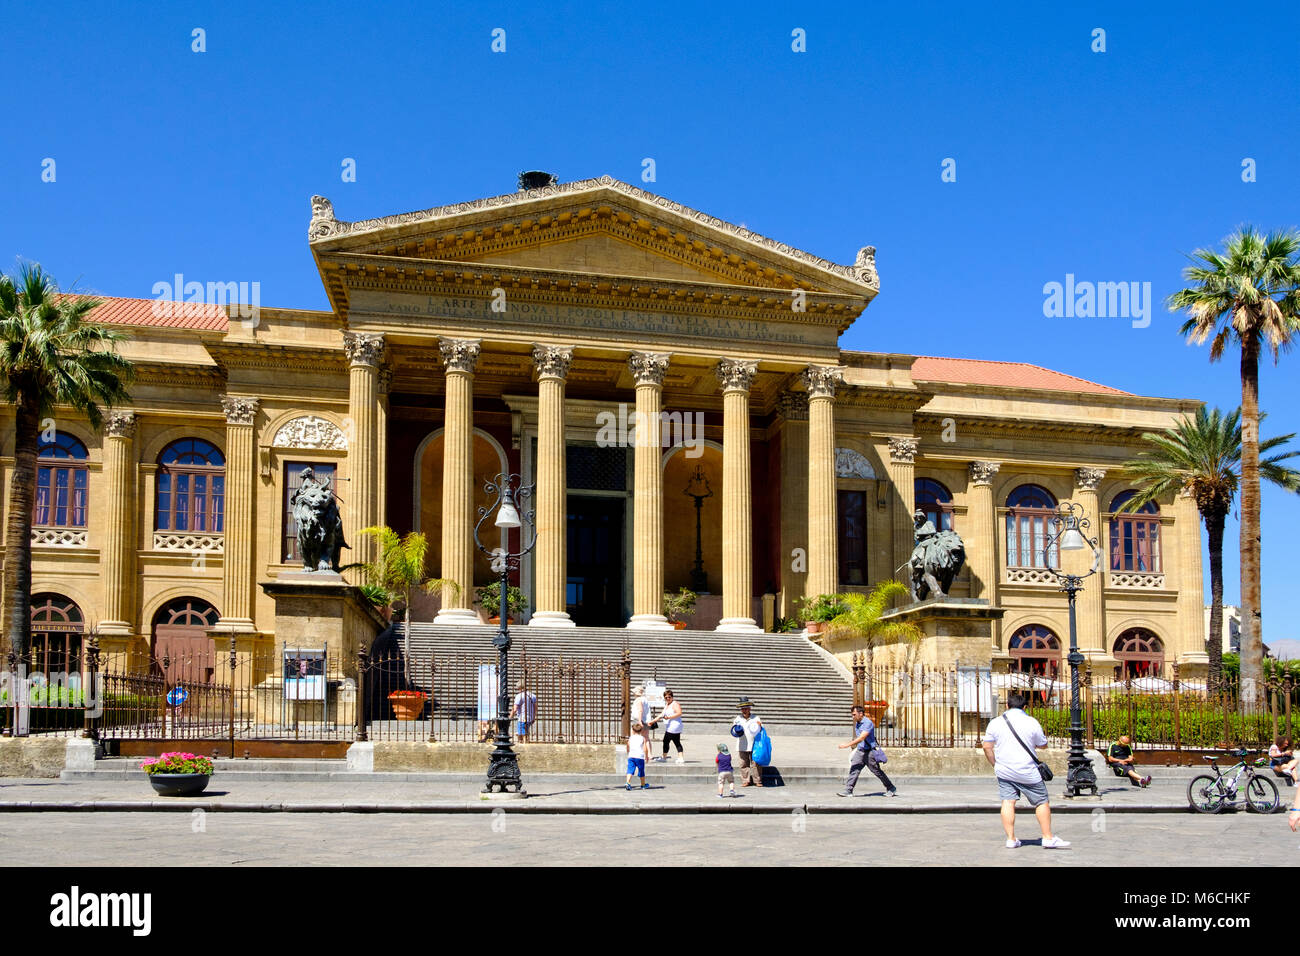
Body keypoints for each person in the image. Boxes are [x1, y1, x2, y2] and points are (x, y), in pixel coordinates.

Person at [982, 691, 1069, 849]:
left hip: (1005, 770)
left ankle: (1011, 839)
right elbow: (1043, 745)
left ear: (1007, 705)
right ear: (1025, 707)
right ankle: (1048, 837)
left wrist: (995, 764)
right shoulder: (1031, 722)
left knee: (1008, 801)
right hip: (1027, 770)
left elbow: (987, 746)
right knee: (1041, 801)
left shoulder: (995, 722)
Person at [836, 704, 897, 797]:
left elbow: (861, 738)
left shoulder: (868, 723)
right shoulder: (858, 723)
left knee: (877, 771)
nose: (853, 716)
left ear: (861, 713)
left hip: (869, 752)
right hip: (860, 751)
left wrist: (846, 745)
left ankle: (891, 788)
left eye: (854, 714)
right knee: (854, 769)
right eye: (852, 714)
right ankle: (848, 791)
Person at [732, 698, 764, 788]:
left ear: (749, 708)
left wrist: (759, 725)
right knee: (743, 764)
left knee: (756, 763)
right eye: (742, 709)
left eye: (746, 708)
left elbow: (761, 728)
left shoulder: (756, 718)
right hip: (742, 744)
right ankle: (745, 780)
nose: (744, 710)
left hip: (754, 744)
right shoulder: (738, 718)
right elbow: (734, 729)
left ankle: (757, 780)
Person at [652, 689, 685, 764]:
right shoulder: (667, 705)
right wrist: (652, 721)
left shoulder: (675, 704)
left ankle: (664, 757)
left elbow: (679, 713)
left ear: (672, 697)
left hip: (674, 726)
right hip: (672, 726)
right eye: (666, 697)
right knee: (676, 742)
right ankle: (680, 758)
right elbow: (661, 715)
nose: (668, 699)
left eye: (669, 697)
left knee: (666, 741)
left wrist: (669, 717)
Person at [626, 722, 650, 791]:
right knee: (641, 770)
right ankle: (643, 784)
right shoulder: (642, 738)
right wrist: (646, 756)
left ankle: (628, 782)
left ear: (633, 730)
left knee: (630, 770)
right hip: (639, 757)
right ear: (641, 730)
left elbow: (628, 746)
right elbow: (645, 748)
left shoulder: (631, 738)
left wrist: (628, 752)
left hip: (631, 756)